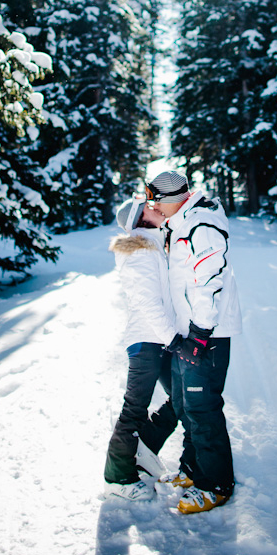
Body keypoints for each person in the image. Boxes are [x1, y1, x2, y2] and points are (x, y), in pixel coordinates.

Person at [146, 170, 242, 514]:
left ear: (171, 198)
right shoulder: (179, 224)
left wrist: (200, 333)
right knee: (185, 404)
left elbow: (210, 279)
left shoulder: (202, 224)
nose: (151, 206)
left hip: (208, 334)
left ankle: (216, 484)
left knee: (203, 408)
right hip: (188, 332)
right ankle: (193, 467)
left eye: (154, 199)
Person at [103, 194, 180, 502]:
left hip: (158, 339)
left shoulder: (153, 247)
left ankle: (144, 449)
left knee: (182, 398)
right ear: (141, 218)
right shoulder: (140, 251)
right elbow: (148, 302)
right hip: (147, 341)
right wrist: (173, 338)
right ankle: (117, 478)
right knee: (134, 407)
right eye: (150, 206)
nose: (157, 207)